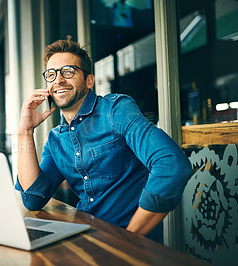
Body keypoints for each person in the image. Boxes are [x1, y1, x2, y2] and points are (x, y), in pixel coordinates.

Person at [15, 39, 193, 243]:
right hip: (85, 239)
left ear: (89, 81)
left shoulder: (116, 110)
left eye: (68, 71)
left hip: (130, 246)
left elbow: (171, 164)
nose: (58, 80)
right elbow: (32, 199)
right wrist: (25, 131)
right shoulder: (56, 139)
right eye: (51, 74)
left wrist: (129, 237)